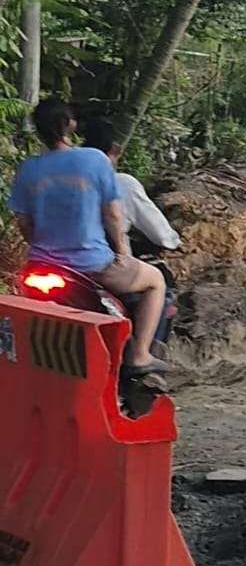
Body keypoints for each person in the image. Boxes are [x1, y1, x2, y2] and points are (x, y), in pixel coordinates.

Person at [7, 98, 168, 374]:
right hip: (91, 267)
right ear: (69, 125)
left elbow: (24, 222)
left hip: (41, 266)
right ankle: (140, 355)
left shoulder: (28, 168)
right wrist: (121, 253)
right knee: (156, 281)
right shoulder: (94, 159)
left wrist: (41, 247)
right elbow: (113, 215)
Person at [81, 116, 181, 253]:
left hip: (56, 256)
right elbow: (158, 231)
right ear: (115, 149)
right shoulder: (123, 183)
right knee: (154, 275)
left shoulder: (64, 182)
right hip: (103, 261)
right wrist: (174, 241)